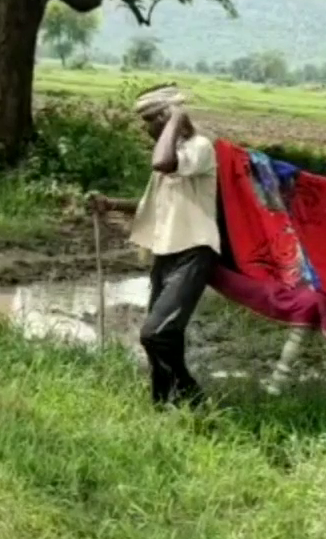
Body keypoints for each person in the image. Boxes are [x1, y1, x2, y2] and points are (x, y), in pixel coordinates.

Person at [88, 84, 220, 408]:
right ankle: (161, 405)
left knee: (154, 334)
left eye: (151, 121)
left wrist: (175, 119)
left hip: (193, 253)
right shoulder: (173, 157)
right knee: (165, 338)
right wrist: (110, 204)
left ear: (167, 118)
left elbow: (161, 162)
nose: (147, 129)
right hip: (166, 255)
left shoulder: (199, 149)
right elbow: (155, 206)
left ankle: (195, 402)